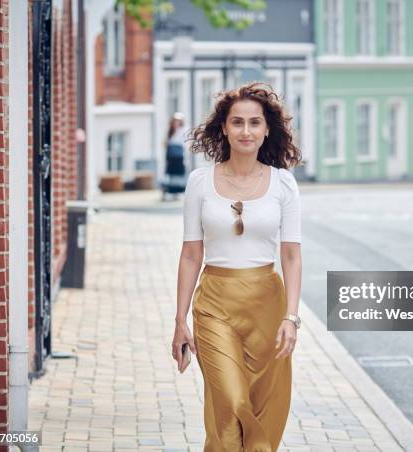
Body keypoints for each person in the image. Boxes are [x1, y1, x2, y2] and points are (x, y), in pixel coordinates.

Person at [171, 82, 302, 451]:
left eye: (254, 123)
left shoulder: (283, 184)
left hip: (267, 305)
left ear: (266, 130)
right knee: (230, 402)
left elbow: (291, 254)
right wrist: (180, 320)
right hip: (214, 304)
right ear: (224, 128)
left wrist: (290, 318)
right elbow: (191, 254)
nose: (246, 131)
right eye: (238, 122)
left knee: (264, 406)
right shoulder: (200, 183)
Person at [163, 112, 188, 200]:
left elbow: (185, 143)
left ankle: (179, 192)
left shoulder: (184, 130)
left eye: (178, 121)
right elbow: (166, 143)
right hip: (171, 156)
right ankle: (171, 192)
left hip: (179, 156)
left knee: (179, 174)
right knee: (171, 174)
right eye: (175, 121)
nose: (176, 123)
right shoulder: (170, 131)